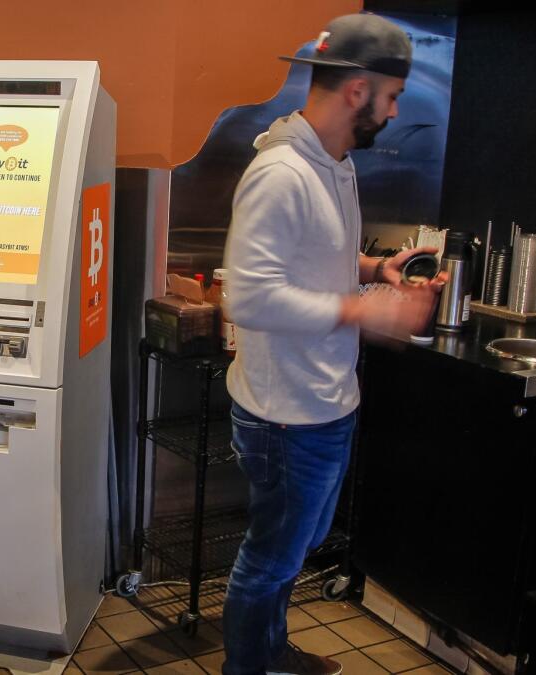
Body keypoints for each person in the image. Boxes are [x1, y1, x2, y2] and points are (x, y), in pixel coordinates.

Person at [220, 14, 445, 675]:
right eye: (393, 95)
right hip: (285, 412)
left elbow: (312, 259)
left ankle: (271, 652)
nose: (397, 109)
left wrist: (376, 270)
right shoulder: (281, 173)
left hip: (323, 400)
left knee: (293, 548)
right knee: (269, 558)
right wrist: (365, 310)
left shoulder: (335, 165)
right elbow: (250, 297)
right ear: (358, 90)